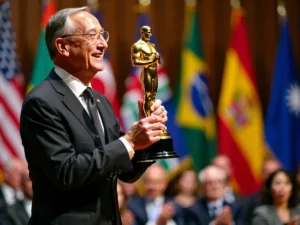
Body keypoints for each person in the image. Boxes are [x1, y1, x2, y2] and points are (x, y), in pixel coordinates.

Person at [20, 7, 168, 225]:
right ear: (63, 46)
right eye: (91, 36)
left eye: (103, 35)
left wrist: (147, 138)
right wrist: (128, 142)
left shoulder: (100, 100)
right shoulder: (42, 101)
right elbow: (66, 172)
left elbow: (124, 171)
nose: (103, 44)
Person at [131, 26, 160, 117]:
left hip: (154, 72)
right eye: (147, 33)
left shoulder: (152, 46)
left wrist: (157, 59)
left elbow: (157, 63)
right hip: (146, 72)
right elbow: (135, 62)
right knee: (148, 96)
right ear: (142, 33)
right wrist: (152, 60)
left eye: (151, 33)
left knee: (154, 96)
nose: (149, 35)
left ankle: (154, 120)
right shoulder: (137, 46)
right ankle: (149, 119)